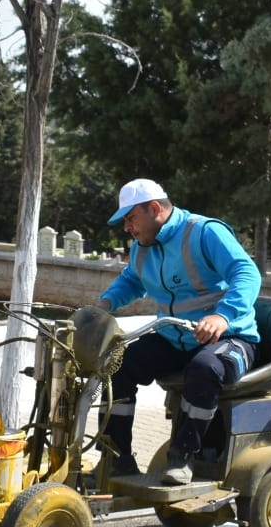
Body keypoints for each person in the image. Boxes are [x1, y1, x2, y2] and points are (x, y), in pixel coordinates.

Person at [96, 178, 261, 485]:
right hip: (177, 338)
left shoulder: (205, 232)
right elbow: (131, 280)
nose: (127, 228)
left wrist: (222, 317)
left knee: (205, 367)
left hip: (230, 338)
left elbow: (246, 272)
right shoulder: (142, 248)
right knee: (115, 364)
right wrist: (103, 305)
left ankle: (183, 457)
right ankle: (117, 459)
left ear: (155, 209)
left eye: (131, 219)